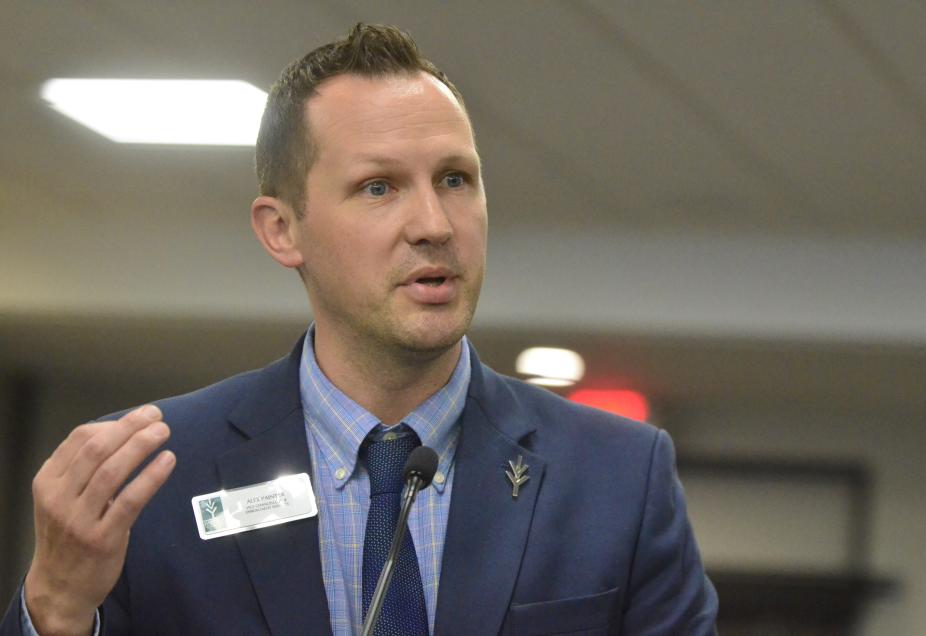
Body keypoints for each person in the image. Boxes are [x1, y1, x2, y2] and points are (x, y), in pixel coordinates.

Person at [2, 23, 717, 636]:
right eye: (380, 187)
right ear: (283, 231)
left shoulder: (618, 478)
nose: (434, 225)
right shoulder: (149, 477)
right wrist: (57, 608)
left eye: (455, 179)